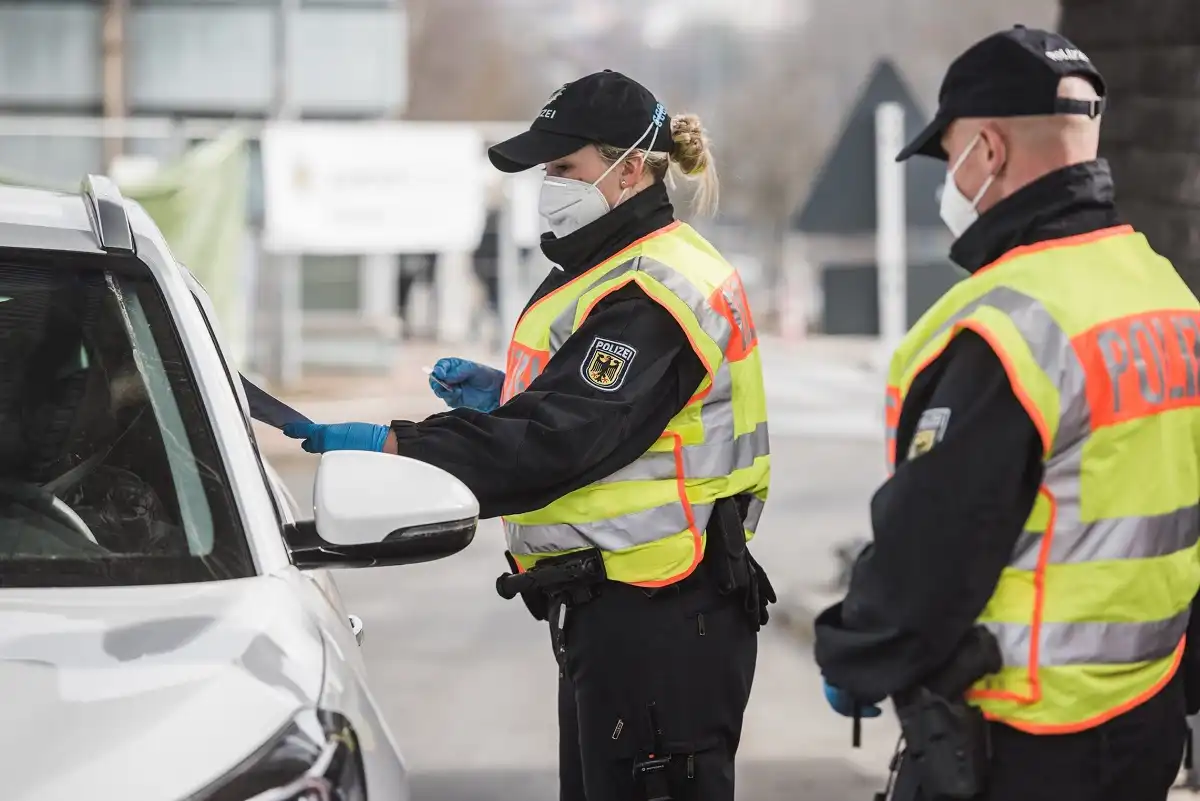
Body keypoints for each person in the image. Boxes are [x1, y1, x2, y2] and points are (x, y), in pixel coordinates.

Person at [283, 69, 774, 801]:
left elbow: (559, 438)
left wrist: (399, 446)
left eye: (564, 168)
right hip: (628, 612)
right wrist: (510, 394)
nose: (549, 186)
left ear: (629, 169)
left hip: (663, 616)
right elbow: (600, 407)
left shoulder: (655, 289)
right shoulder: (614, 263)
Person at [812, 25, 1200, 801]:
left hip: (1022, 736)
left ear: (986, 150)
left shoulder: (1008, 324)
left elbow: (937, 540)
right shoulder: (1166, 293)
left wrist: (858, 649)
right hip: (1146, 717)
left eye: (947, 155)